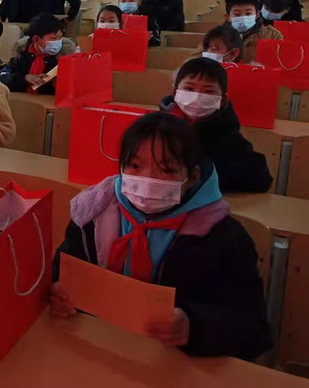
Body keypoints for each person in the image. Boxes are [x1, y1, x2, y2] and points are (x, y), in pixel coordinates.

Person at [51, 112, 271, 360]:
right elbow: (62, 270)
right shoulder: (92, 215)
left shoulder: (223, 237)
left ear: (192, 177)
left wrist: (193, 327)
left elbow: (253, 328)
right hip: (96, 350)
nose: (146, 178)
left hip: (174, 364)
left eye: (166, 169)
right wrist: (57, 292)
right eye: (135, 166)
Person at [160, 58, 271, 194]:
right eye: (189, 88)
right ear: (175, 92)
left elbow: (261, 178)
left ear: (223, 100)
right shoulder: (157, 126)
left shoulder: (227, 133)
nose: (196, 97)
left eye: (208, 91)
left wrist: (201, 173)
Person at [0, 13, 77, 95]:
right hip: (22, 99)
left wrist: (58, 82)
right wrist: (24, 78)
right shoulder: (21, 55)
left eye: (60, 38)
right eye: (53, 38)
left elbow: (75, 87)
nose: (58, 42)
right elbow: (1, 78)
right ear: (36, 39)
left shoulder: (65, 58)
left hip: (48, 101)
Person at [223, 0, 282, 64]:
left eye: (248, 13)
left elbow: (279, 63)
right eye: (237, 14)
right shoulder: (218, 37)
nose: (243, 18)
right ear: (228, 17)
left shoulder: (273, 35)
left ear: (257, 14)